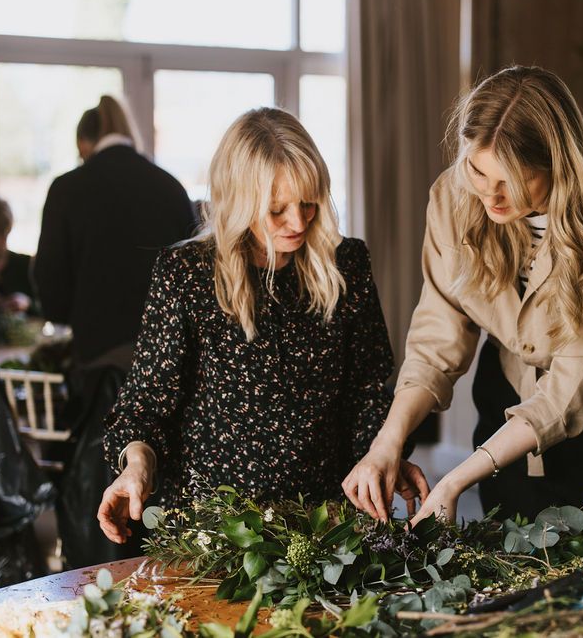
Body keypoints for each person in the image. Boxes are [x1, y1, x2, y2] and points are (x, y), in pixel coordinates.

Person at [343, 66, 583, 524]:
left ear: (556, 164)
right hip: (508, 396)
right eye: (477, 169)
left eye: (510, 179)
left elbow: (568, 394)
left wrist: (452, 480)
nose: (490, 194)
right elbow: (437, 337)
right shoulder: (453, 197)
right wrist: (386, 443)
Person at [98, 107, 399, 544]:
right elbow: (144, 407)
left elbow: (367, 390)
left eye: (308, 203)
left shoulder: (346, 263)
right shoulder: (187, 274)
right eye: (276, 210)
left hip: (326, 526)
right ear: (239, 202)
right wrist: (138, 465)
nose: (298, 223)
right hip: (216, 532)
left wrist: (381, 455)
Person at [33, 95, 197, 369]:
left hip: (98, 355)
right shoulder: (170, 187)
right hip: (166, 356)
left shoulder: (67, 189)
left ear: (83, 144)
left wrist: (65, 315)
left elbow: (50, 276)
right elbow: (193, 273)